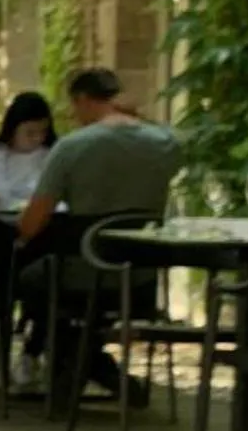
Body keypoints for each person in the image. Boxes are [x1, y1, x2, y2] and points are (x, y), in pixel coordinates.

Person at [17, 68, 183, 399]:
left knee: (27, 278)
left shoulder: (72, 147)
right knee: (56, 280)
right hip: (140, 278)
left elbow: (31, 225)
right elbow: (174, 140)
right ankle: (93, 368)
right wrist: (141, 116)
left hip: (80, 274)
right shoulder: (165, 143)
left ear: (82, 99)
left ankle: (86, 366)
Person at [0, 92, 54, 210]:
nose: (38, 138)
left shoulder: (52, 154)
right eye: (30, 133)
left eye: (43, 132)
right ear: (13, 129)